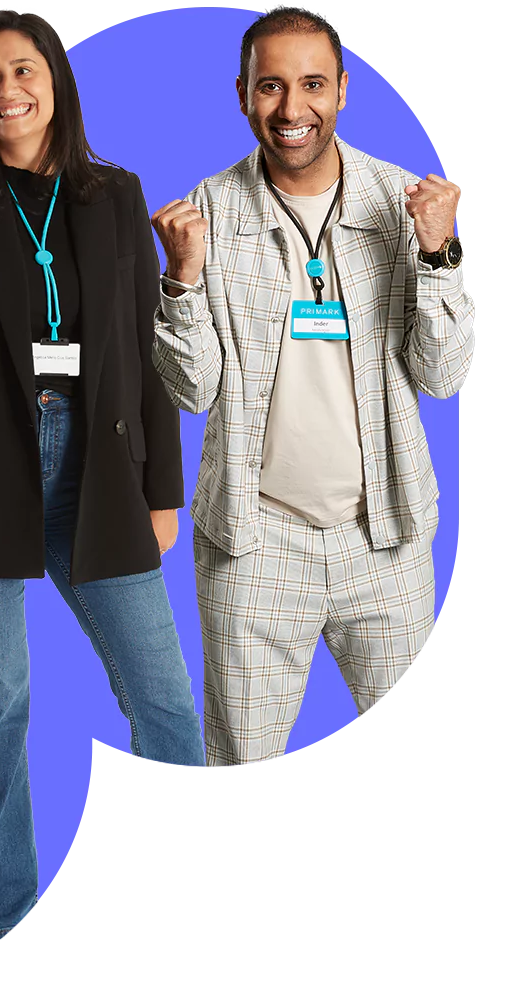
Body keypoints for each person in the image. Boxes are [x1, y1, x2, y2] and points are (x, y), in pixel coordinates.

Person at [0, 9, 205, 951]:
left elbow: (151, 351)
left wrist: (162, 487)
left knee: (168, 701)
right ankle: (5, 923)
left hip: (101, 472)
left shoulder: (114, 192)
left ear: (56, 80)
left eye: (23, 70)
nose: (6, 91)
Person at [150, 6, 473, 769]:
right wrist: (181, 282)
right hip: (253, 543)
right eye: (271, 87)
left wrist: (439, 256)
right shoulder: (210, 213)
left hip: (384, 539)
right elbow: (191, 393)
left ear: (342, 92)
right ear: (242, 94)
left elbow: (446, 373)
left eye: (311, 85)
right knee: (239, 758)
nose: (291, 110)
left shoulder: (402, 203)